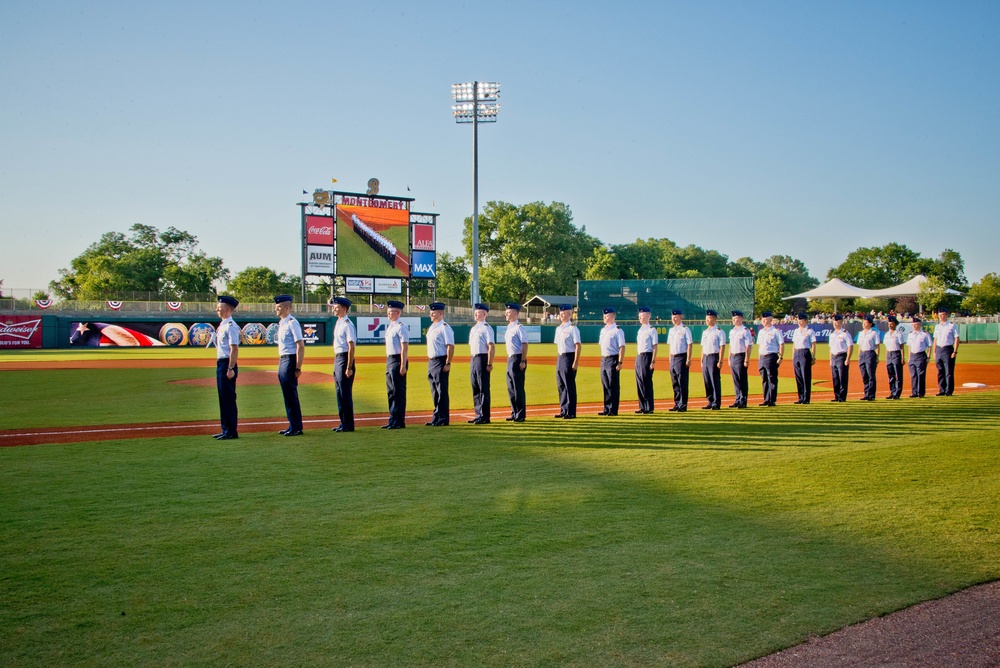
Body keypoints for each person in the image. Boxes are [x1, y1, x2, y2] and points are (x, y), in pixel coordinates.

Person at [274, 294, 305, 436]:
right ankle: (292, 424)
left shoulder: (292, 322)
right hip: (283, 359)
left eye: (279, 306)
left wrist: (298, 367)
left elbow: (300, 346)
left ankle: (297, 427)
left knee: (291, 395)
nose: (276, 309)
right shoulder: (282, 323)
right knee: (287, 395)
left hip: (290, 359)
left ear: (287, 308)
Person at [213, 295, 241, 440]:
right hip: (221, 363)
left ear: (228, 309)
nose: (217, 309)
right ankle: (225, 429)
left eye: (220, 307)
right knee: (223, 398)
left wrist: (230, 368)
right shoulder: (222, 325)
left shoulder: (231, 326)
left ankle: (231, 430)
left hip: (227, 363)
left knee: (228, 398)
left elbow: (234, 348)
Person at [425, 302, 455, 426]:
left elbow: (450, 346)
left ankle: (443, 418)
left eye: (434, 312)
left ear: (441, 313)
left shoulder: (444, 327)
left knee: (441, 390)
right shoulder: (432, 327)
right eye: (431, 312)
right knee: (434, 391)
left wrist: (448, 362)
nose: (431, 314)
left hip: (440, 360)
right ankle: (436, 417)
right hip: (431, 361)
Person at [330, 296, 356, 432]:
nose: (334, 308)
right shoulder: (339, 323)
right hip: (338, 358)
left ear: (344, 309)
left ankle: (348, 424)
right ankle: (343, 423)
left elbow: (351, 346)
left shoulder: (347, 324)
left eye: (337, 306)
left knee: (345, 394)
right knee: (339, 393)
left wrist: (349, 367)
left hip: (344, 358)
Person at [383, 300, 409, 429]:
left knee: (398, 392)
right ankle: (392, 418)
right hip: (390, 359)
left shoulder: (400, 326)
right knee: (391, 391)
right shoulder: (391, 326)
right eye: (387, 311)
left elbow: (404, 347)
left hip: (397, 359)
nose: (388, 313)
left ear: (398, 312)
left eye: (391, 311)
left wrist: (403, 365)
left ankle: (399, 420)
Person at [468, 303, 495, 424]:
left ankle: (485, 416)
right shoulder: (474, 328)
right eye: (475, 312)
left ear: (484, 314)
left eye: (478, 312)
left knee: (483, 387)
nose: (475, 314)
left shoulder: (486, 327)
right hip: (474, 358)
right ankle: (478, 414)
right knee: (475, 387)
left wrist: (489, 363)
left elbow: (491, 346)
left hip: (482, 358)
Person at [553, 304, 581, 419]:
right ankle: (563, 410)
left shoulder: (573, 328)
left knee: (569, 385)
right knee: (561, 385)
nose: (562, 315)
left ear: (570, 314)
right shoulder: (558, 328)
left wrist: (575, 361)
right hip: (560, 357)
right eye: (560, 314)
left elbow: (578, 346)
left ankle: (571, 411)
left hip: (569, 357)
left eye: (564, 314)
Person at [597, 306, 626, 416]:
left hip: (612, 359)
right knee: (605, 385)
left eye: (606, 315)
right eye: (604, 315)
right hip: (604, 359)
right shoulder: (603, 330)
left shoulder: (617, 330)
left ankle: (613, 410)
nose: (604, 317)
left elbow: (622, 347)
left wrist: (620, 362)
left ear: (612, 317)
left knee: (613, 385)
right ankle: (606, 408)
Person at [503, 302, 528, 422]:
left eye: (508, 312)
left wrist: (523, 360)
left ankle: (520, 414)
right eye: (506, 312)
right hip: (510, 358)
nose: (506, 314)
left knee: (518, 387)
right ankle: (514, 412)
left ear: (515, 313)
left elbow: (525, 344)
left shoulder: (519, 327)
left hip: (517, 358)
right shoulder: (510, 327)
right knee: (511, 387)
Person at [755, 311, 784, 406]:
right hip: (762, 356)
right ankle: (766, 399)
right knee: (764, 379)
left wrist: (781, 357)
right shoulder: (761, 332)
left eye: (766, 319)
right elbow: (760, 346)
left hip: (771, 356)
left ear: (771, 320)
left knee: (772, 378)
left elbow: (781, 344)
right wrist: (759, 358)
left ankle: (772, 400)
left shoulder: (776, 331)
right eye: (762, 319)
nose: (764, 321)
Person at [666, 309, 693, 412]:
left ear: (681, 317)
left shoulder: (685, 329)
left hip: (681, 357)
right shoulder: (671, 330)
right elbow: (670, 346)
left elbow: (689, 344)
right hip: (673, 357)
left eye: (676, 317)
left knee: (682, 381)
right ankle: (677, 403)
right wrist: (669, 357)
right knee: (675, 382)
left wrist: (688, 358)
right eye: (672, 317)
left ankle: (683, 404)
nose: (674, 318)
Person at [699, 309, 726, 410]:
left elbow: (722, 346)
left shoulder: (719, 331)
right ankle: (710, 401)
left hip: (714, 357)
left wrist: (720, 360)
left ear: (714, 319)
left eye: (709, 318)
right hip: (706, 357)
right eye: (706, 318)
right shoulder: (705, 332)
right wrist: (701, 359)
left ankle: (716, 402)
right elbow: (703, 347)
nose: (707, 320)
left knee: (714, 380)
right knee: (707, 381)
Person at [728, 310, 753, 408]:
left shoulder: (745, 330)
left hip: (741, 356)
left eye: (736, 318)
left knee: (741, 379)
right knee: (735, 380)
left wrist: (747, 358)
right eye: (733, 318)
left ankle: (743, 400)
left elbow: (748, 346)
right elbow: (730, 345)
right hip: (733, 356)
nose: (734, 320)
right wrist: (729, 357)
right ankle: (737, 399)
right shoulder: (732, 331)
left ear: (741, 319)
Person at [635, 306, 658, 414]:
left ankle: (649, 407)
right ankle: (642, 406)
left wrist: (653, 361)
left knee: (646, 382)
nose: (640, 316)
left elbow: (655, 347)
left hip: (647, 356)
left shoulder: (651, 330)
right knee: (639, 381)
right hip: (639, 356)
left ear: (648, 315)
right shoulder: (640, 330)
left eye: (642, 314)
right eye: (639, 315)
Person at [933, 308, 960, 396]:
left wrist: (955, 351)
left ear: (947, 315)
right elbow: (935, 339)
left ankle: (949, 390)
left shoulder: (952, 326)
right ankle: (942, 389)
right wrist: (934, 351)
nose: (941, 316)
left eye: (943, 314)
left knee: (948, 371)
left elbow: (956, 338)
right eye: (940, 315)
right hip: (939, 349)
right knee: (940, 371)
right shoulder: (937, 326)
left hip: (947, 349)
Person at [791, 312, 817, 404]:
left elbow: (813, 344)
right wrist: (793, 356)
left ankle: (806, 398)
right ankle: (800, 397)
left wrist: (813, 357)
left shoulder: (809, 331)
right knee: (798, 376)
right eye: (799, 320)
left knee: (805, 376)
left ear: (806, 321)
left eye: (802, 320)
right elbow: (794, 344)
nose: (800, 322)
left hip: (805, 352)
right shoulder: (796, 331)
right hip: (797, 353)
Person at [828, 314, 853, 402]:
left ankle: (842, 397)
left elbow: (850, 346)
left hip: (842, 356)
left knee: (842, 377)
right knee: (835, 378)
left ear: (841, 322)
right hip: (834, 357)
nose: (835, 323)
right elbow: (831, 348)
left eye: (837, 322)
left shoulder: (845, 333)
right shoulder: (832, 334)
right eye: (834, 322)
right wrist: (830, 359)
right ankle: (837, 396)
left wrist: (848, 359)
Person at [856, 314, 881, 401]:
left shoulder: (874, 333)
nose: (864, 324)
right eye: (863, 323)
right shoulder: (861, 333)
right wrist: (859, 355)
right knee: (864, 375)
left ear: (870, 324)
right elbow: (859, 346)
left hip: (870, 353)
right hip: (862, 354)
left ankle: (871, 395)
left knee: (871, 375)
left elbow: (877, 346)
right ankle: (866, 393)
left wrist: (877, 356)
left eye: (866, 323)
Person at [907, 317, 933, 398]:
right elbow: (909, 347)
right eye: (914, 325)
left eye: (917, 324)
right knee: (913, 375)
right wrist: (909, 357)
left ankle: (920, 393)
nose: (915, 326)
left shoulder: (924, 334)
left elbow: (929, 346)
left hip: (921, 355)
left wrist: (928, 357)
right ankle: (914, 392)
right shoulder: (910, 334)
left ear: (920, 325)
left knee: (920, 375)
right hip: (912, 356)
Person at [883, 315, 904, 400]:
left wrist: (902, 357)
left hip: (896, 353)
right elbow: (886, 347)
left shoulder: (898, 334)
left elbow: (901, 346)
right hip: (889, 354)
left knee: (898, 374)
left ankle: (897, 393)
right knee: (890, 374)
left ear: (895, 324)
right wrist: (886, 356)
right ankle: (892, 391)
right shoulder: (887, 334)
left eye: (892, 324)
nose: (890, 325)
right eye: (889, 324)